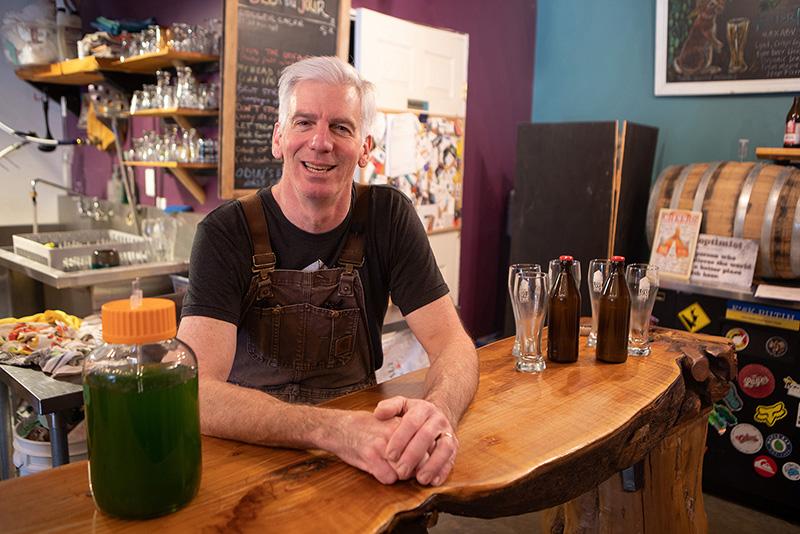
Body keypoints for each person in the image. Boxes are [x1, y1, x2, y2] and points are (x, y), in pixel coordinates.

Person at [178, 56, 479, 487]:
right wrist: (331, 431)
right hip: (251, 454)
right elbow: (198, 393)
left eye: (341, 127)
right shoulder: (226, 232)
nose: (321, 142)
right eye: (304, 123)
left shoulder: (388, 217)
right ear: (279, 138)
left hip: (366, 457)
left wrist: (440, 413)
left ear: (365, 149)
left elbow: (453, 344)